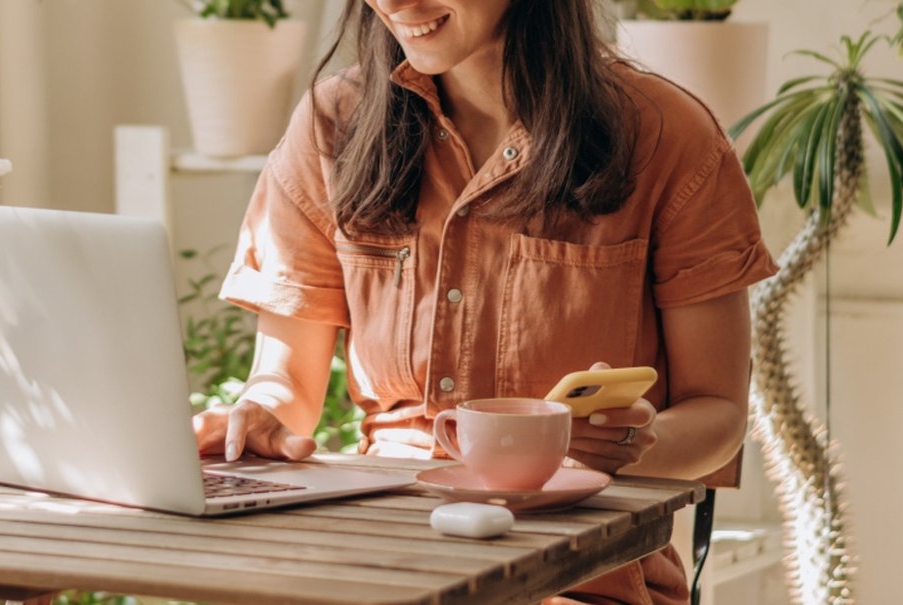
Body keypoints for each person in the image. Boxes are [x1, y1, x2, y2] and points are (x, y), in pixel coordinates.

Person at [192, 0, 778, 602]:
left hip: (582, 575)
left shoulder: (666, 134)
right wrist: (256, 419)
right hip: (378, 561)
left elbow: (718, 412)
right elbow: (285, 387)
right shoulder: (332, 123)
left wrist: (633, 447)